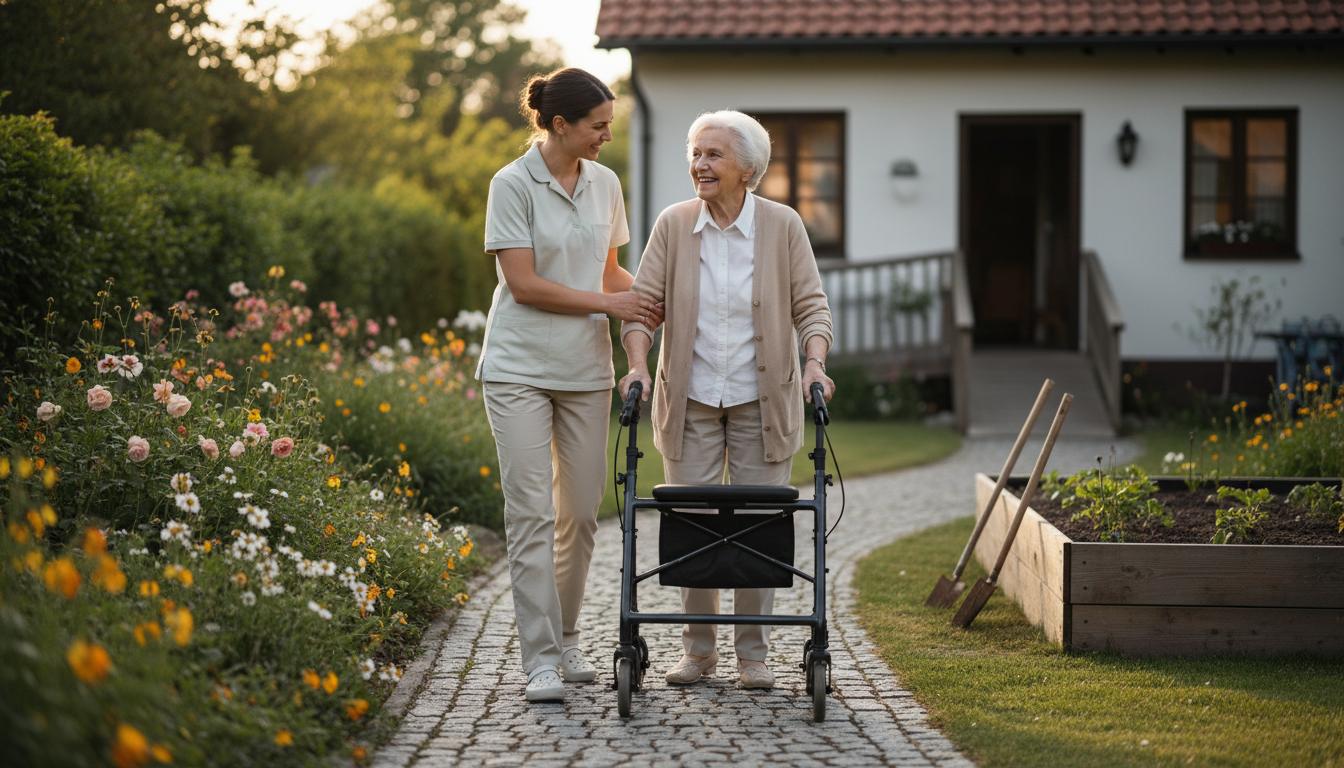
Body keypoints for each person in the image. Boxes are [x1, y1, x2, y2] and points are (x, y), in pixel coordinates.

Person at [619, 110, 834, 690]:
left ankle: (753, 657)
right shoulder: (673, 225)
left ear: (749, 169)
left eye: (714, 155)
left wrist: (815, 363)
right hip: (687, 400)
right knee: (693, 525)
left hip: (761, 402)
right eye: (696, 153)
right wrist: (638, 365)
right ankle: (698, 650)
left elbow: (812, 307)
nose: (700, 164)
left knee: (757, 528)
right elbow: (642, 307)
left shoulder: (783, 226)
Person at [478, 67, 661, 702]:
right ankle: (540, 661)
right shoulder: (512, 183)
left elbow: (609, 272)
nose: (607, 136)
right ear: (560, 125)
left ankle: (567, 636)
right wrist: (612, 307)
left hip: (586, 372)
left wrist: (651, 298)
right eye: (598, 126)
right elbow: (523, 285)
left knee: (579, 517)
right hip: (518, 369)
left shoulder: (606, 183)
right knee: (530, 514)